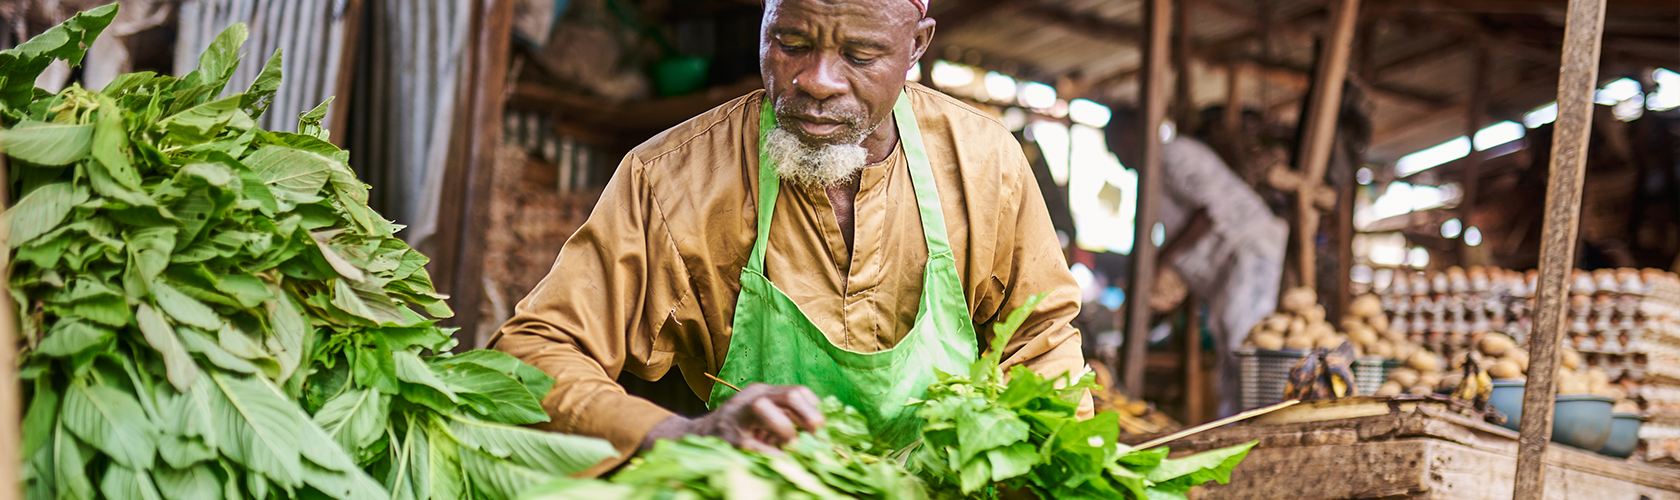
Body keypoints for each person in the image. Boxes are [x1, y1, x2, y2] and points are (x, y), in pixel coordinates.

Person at [491, 0, 1090, 476]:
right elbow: (533, 352)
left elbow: (1043, 348)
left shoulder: (987, 166)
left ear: (917, 45)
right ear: (763, 23)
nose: (817, 81)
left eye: (861, 54)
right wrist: (680, 435)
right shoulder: (673, 180)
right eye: (790, 44)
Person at [1104, 110, 1287, 418]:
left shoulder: (1175, 154)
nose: (1117, 157)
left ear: (1130, 134)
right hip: (1224, 271)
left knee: (1244, 339)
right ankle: (1233, 426)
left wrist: (1162, 260)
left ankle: (1260, 423)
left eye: (1114, 146)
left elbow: (1208, 212)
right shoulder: (1151, 180)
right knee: (1228, 345)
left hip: (1246, 249)